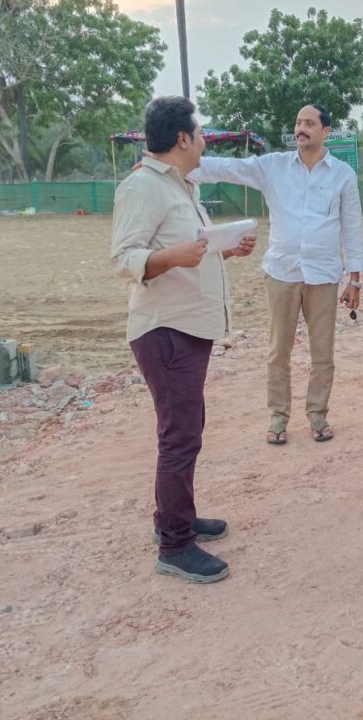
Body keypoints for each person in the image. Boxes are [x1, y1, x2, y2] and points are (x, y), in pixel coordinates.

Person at [110, 96, 256, 584]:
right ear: (182, 138)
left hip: (188, 325)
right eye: (200, 133)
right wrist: (174, 256)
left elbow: (188, 248)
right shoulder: (143, 187)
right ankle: (174, 545)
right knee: (179, 436)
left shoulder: (181, 186)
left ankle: (175, 518)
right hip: (165, 328)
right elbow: (125, 258)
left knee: (186, 429)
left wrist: (224, 249)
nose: (204, 141)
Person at [188, 104, 363, 445]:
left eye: (309, 123)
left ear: (325, 131)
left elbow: (352, 228)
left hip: (323, 275)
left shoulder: (343, 175)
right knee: (278, 352)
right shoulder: (273, 166)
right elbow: (225, 168)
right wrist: (169, 167)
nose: (301, 129)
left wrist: (354, 279)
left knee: (323, 354)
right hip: (282, 272)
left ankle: (318, 416)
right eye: (298, 122)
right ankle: (278, 417)